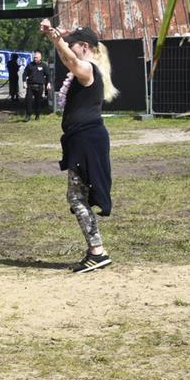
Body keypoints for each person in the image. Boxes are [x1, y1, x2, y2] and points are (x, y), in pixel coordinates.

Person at [40, 21, 118, 273]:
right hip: (82, 139)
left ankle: (97, 250)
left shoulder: (87, 68)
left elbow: (72, 62)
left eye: (73, 45)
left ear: (84, 47)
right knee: (78, 196)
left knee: (76, 196)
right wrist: (58, 39)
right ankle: (96, 250)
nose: (69, 50)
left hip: (87, 140)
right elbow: (68, 60)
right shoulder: (84, 68)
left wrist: (55, 39)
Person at [22, 51, 51, 121]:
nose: (35, 58)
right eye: (34, 57)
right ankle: (28, 115)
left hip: (39, 86)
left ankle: (37, 115)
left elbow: (48, 75)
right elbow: (24, 74)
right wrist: (24, 82)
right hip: (30, 85)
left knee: (38, 101)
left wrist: (48, 83)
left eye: (36, 57)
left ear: (40, 58)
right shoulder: (30, 65)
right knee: (28, 100)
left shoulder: (44, 65)